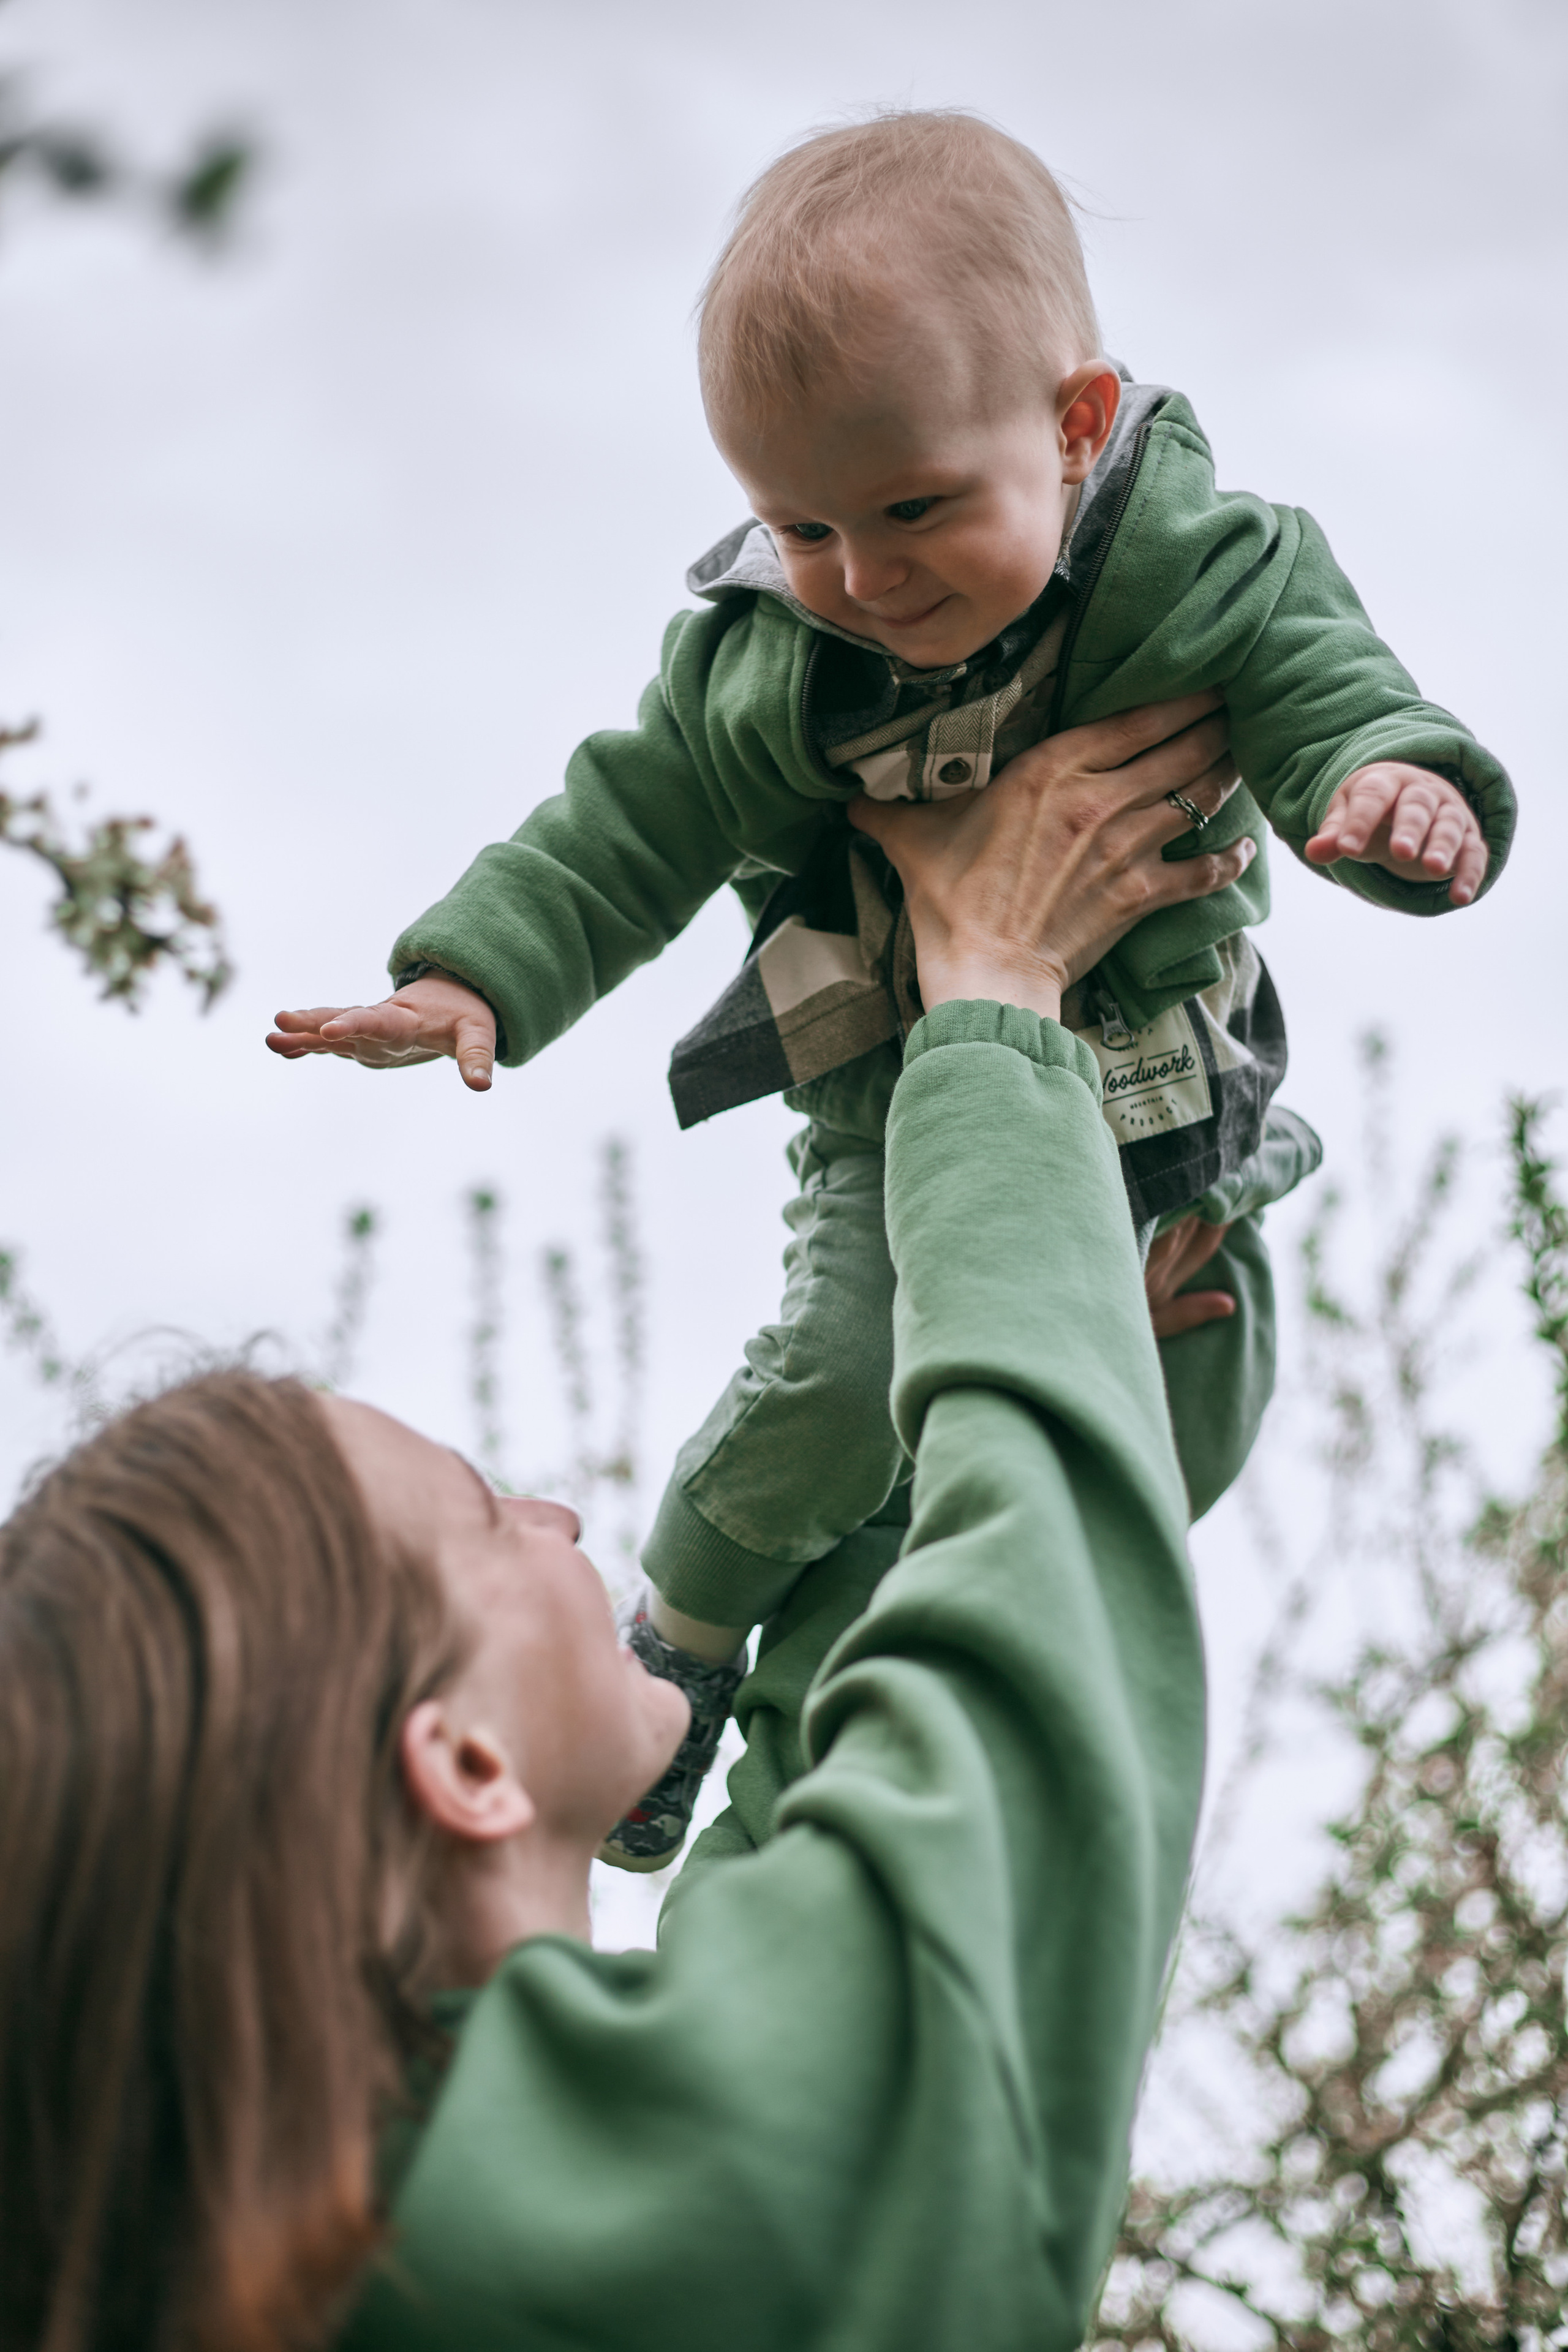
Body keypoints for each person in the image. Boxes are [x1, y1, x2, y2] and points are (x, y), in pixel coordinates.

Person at [266, 111, 1514, 1869]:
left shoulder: (1206, 566)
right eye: (801, 525)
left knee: (1187, 1407)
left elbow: (1326, 691)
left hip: (1172, 1105)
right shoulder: (775, 660)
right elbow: (622, 827)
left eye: (916, 508)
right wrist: (477, 973)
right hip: (900, 1121)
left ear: (1077, 426)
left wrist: (1386, 791)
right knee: (845, 1377)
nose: (864, 577)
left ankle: (899, 1623)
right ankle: (689, 1643)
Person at [10, 699, 1250, 2352]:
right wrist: (998, 1008)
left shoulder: (404, 2225)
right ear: (459, 1763)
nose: (556, 1510)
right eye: (480, 1518)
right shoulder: (677, 2205)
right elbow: (1039, 1691)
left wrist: (1046, 1302)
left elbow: (862, 1764)